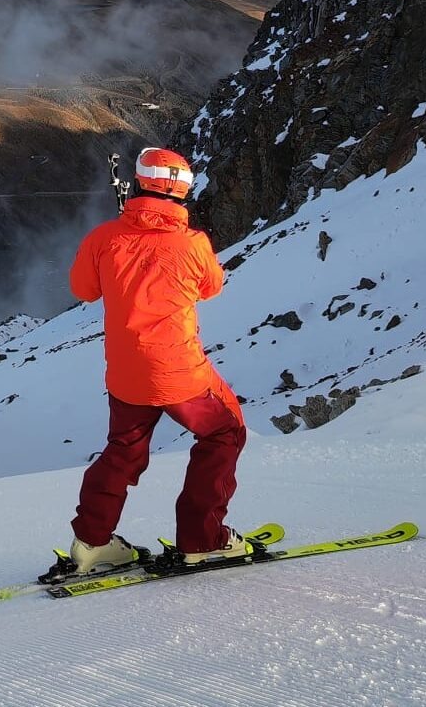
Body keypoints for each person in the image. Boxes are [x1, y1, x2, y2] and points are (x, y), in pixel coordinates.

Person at [46, 147, 247, 581]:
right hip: (180, 374)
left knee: (123, 452)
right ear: (183, 193)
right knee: (224, 433)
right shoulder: (193, 243)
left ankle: (91, 543)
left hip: (126, 373)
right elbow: (211, 288)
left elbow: (84, 289)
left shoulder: (104, 238)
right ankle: (202, 538)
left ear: (136, 185)